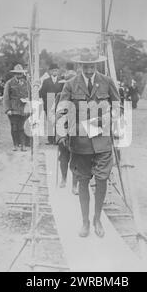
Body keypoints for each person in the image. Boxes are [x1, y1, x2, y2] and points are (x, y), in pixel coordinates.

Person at [56, 51, 120, 238]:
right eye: (86, 66)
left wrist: (114, 121)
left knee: (101, 180)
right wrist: (61, 134)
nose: (89, 69)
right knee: (83, 181)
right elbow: (61, 110)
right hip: (80, 142)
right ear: (80, 66)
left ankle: (97, 219)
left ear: (96, 65)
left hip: (102, 141)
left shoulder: (107, 81)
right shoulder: (70, 84)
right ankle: (85, 222)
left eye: (92, 66)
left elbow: (117, 105)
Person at [3, 64, 31, 152]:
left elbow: (30, 95)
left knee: (22, 128)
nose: (19, 75)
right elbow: (6, 97)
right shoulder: (9, 83)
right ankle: (15, 145)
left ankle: (23, 145)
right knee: (14, 127)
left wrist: (28, 103)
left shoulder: (27, 83)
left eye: (21, 73)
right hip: (13, 109)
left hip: (23, 109)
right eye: (17, 73)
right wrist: (8, 109)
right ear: (14, 74)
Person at [39, 63, 64, 145]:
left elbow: (63, 93)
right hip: (49, 103)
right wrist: (46, 101)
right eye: (53, 70)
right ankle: (50, 140)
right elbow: (42, 92)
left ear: (58, 71)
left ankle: (57, 139)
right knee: (50, 121)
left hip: (58, 103)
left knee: (58, 121)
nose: (54, 72)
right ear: (50, 72)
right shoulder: (46, 81)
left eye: (56, 70)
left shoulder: (61, 81)